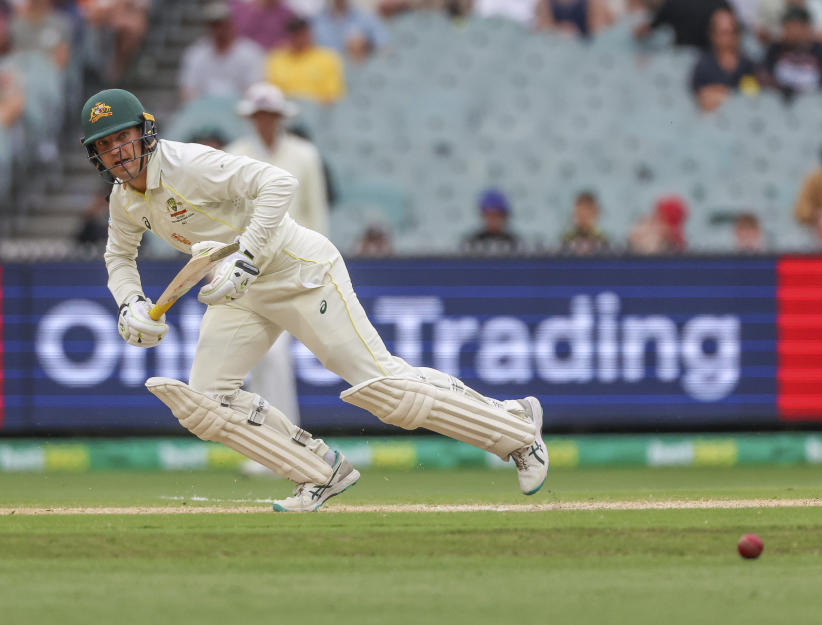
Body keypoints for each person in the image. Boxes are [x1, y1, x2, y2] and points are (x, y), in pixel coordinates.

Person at [79, 87, 549, 511]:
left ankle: (518, 433)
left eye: (123, 138)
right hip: (240, 290)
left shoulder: (189, 165)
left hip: (298, 271)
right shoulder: (124, 200)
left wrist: (246, 257)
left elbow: (279, 184)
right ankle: (320, 473)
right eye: (104, 145)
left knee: (382, 389)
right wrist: (130, 303)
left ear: (145, 135)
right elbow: (119, 256)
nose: (116, 152)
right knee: (206, 403)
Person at [225, 82, 331, 425]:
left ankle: (286, 440)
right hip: (249, 270)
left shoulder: (305, 155)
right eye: (259, 115)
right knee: (260, 358)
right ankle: (267, 444)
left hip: (293, 267)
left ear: (279, 117)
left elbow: (316, 214)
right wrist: (226, 265)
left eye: (270, 115)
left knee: (279, 360)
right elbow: (229, 218)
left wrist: (320, 265)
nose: (265, 122)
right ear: (252, 118)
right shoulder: (236, 154)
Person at [179, 2, 264, 102]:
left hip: (239, 109)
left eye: (222, 24)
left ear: (231, 24)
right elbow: (188, 90)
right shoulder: (195, 54)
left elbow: (254, 89)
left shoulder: (251, 53)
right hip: (203, 109)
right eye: (215, 25)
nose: (220, 30)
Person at [690, 7, 762, 113]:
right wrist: (731, 94)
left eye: (733, 32)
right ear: (713, 35)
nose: (729, 38)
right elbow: (703, 98)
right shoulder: (704, 64)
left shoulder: (747, 64)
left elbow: (751, 95)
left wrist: (721, 93)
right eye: (724, 33)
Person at [763, 6, 822, 98]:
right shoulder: (774, 50)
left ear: (807, 28)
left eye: (795, 26)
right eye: (787, 27)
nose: (792, 32)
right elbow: (766, 80)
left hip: (816, 106)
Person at [266, 17, 345, 103]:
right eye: (295, 35)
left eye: (302, 34)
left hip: (318, 111)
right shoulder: (276, 59)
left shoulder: (327, 58)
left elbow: (333, 95)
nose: (299, 39)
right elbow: (272, 94)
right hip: (285, 109)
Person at [311, 0, 388, 57]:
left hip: (361, 72)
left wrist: (366, 46)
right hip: (325, 74)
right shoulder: (315, 22)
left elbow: (384, 48)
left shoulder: (367, 18)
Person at [462, 189, 521, 255]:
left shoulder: (514, 243)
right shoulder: (473, 242)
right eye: (489, 215)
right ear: (483, 216)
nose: (493, 220)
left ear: (504, 217)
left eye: (497, 215)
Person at [751, 0, 822, 44]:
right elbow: (759, 34)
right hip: (778, 57)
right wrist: (783, 36)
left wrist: (799, 36)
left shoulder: (817, 5)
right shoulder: (769, 4)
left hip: (812, 57)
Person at [230, 0, 297, 50]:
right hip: (245, 57)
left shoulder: (288, 14)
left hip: (275, 59)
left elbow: (293, 40)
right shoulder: (241, 9)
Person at [534, 0, 612, 39]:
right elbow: (542, 30)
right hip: (556, 48)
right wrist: (558, 32)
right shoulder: (545, 3)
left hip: (585, 49)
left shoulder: (593, 3)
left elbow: (600, 33)